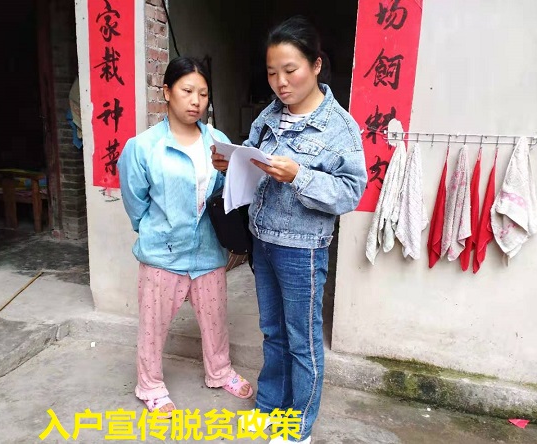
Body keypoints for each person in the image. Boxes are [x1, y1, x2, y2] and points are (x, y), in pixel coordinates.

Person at [211, 16, 367, 444]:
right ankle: (269, 408)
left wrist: (299, 175)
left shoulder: (339, 127)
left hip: (303, 248)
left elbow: (350, 192)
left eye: (290, 70)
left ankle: (298, 427)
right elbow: (254, 159)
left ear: (316, 65)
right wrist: (232, 163)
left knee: (302, 340)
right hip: (263, 239)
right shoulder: (270, 115)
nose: (280, 82)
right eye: (271, 72)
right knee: (273, 332)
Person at [117, 56, 253, 416]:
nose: (196, 101)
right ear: (167, 92)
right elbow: (135, 202)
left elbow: (228, 193)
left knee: (215, 320)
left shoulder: (218, 142)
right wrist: (154, 231)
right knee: (153, 326)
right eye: (187, 91)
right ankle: (149, 385)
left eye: (203, 94)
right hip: (163, 253)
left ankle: (219, 371)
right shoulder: (143, 147)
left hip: (207, 250)